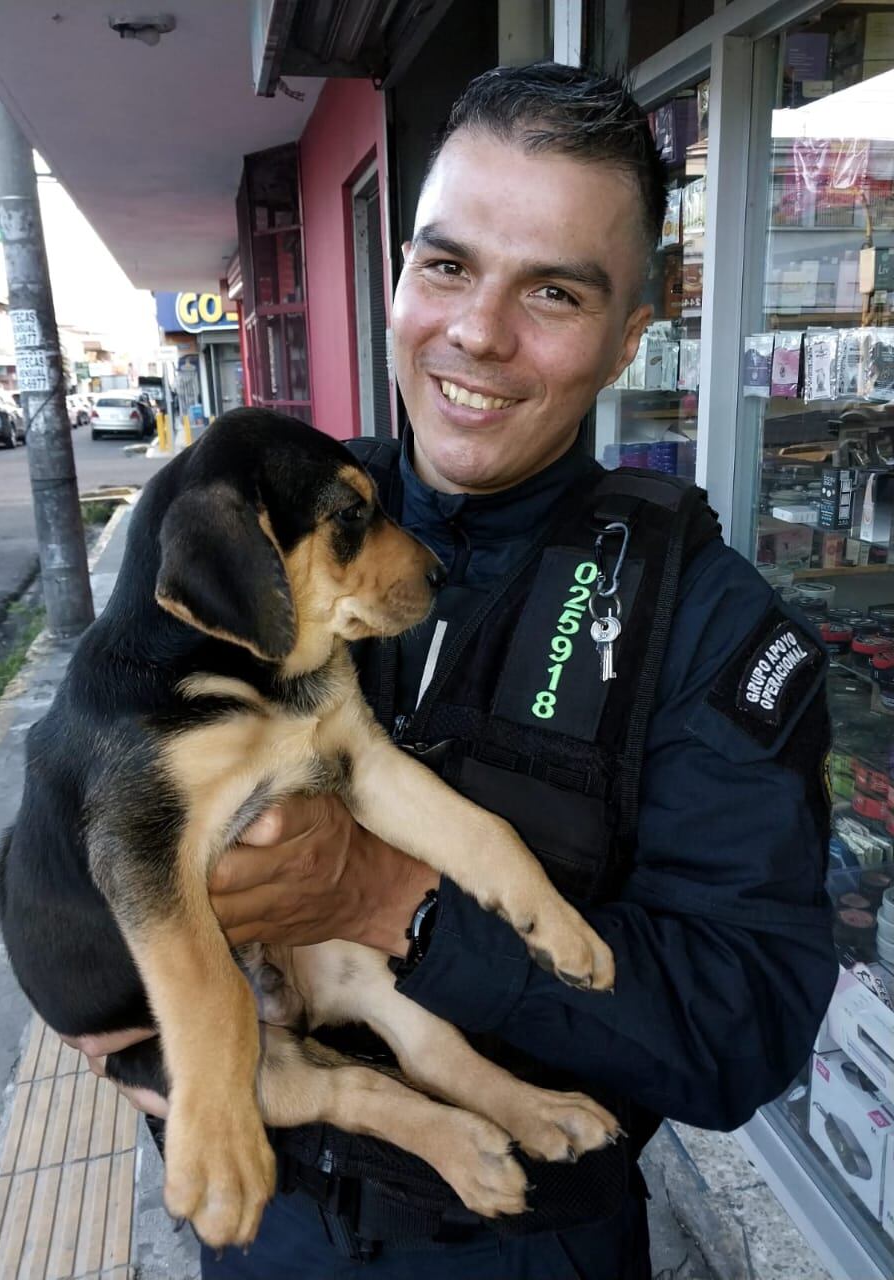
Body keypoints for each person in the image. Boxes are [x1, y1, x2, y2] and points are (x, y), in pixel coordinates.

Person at [71, 63, 837, 1279]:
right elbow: (105, 742)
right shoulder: (266, 510)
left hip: (528, 1245)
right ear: (397, 279)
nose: (478, 330)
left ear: (631, 335)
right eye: (446, 264)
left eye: (553, 289)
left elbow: (742, 1030)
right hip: (263, 1228)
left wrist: (396, 904)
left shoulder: (706, 621)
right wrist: (100, 981)